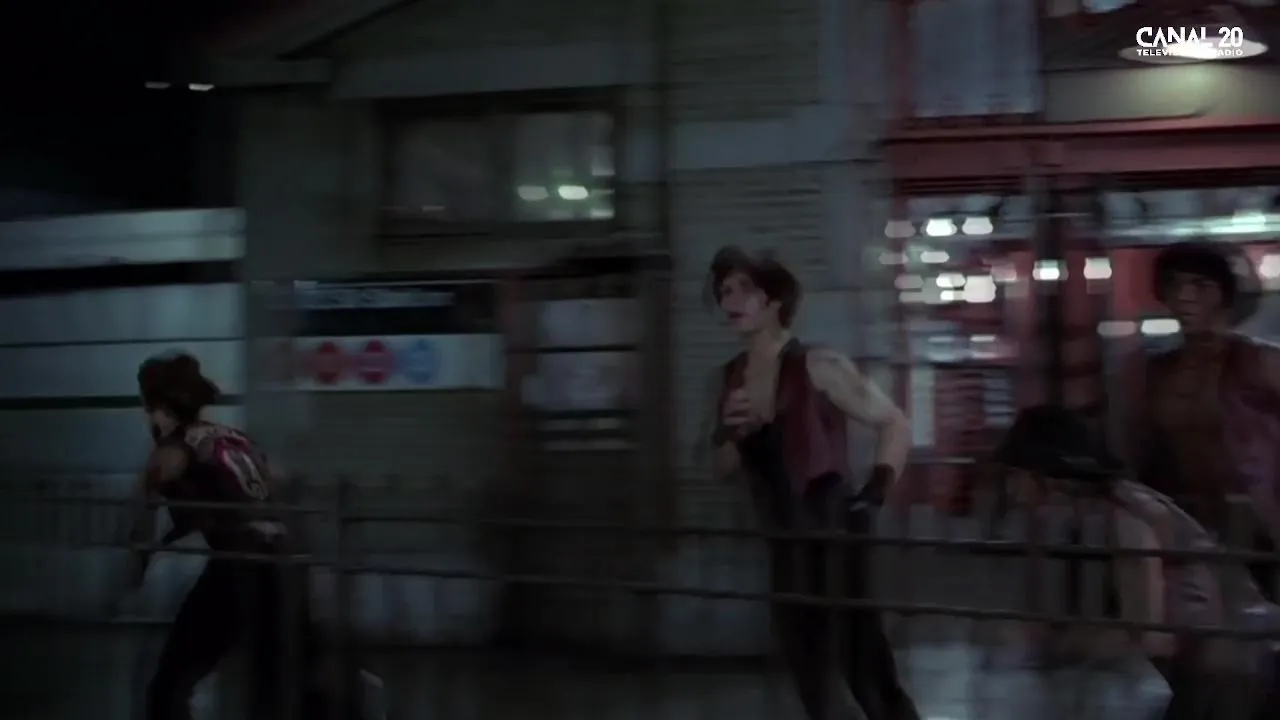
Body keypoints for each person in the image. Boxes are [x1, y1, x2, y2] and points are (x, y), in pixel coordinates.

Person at [702, 246, 920, 720]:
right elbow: (720, 468)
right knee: (811, 682)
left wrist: (873, 496)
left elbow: (895, 424)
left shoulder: (818, 365)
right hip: (783, 546)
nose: (730, 301)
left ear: (774, 300)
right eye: (724, 291)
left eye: (744, 290)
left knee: (867, 674)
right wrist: (731, 433)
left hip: (833, 535)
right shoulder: (730, 380)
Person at [122, 351, 380, 720]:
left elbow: (141, 520)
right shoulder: (238, 439)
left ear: (159, 407)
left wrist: (134, 570)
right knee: (291, 679)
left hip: (239, 564)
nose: (148, 418)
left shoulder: (171, 451)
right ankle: (353, 704)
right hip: (286, 561)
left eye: (149, 408)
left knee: (171, 683)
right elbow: (274, 487)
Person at [995, 403, 1280, 720]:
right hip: (1220, 668)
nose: (1011, 491)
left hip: (1238, 674)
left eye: (1016, 476)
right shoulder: (1094, 519)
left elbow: (1150, 638)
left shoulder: (1124, 519)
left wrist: (1055, 642)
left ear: (1046, 475)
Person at [1122, 241, 1280, 601]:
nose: (1184, 297)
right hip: (1189, 526)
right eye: (1174, 285)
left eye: (1199, 286)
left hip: (1262, 526)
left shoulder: (1260, 363)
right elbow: (1135, 449)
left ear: (1225, 295)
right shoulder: (1153, 372)